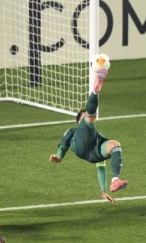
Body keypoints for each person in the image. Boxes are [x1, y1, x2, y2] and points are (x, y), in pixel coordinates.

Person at [49, 68, 128, 203]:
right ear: (80, 121)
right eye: (84, 117)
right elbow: (63, 145)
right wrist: (59, 156)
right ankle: (95, 90)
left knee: (115, 145)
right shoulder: (72, 131)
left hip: (93, 153)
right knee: (91, 117)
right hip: (80, 146)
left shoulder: (97, 135)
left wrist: (103, 191)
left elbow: (101, 166)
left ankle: (115, 180)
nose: (88, 118)